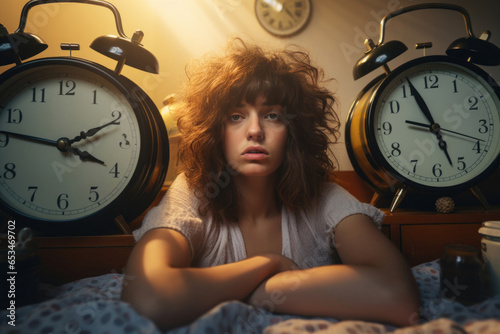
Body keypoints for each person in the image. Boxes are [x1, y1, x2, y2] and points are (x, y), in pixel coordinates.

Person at [121, 38, 420, 331]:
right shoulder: (193, 191)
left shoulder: (323, 196)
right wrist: (269, 263)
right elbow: (148, 299)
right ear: (215, 130)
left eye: (272, 115)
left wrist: (258, 291)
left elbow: (399, 296)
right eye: (236, 116)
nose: (254, 131)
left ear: (293, 130)